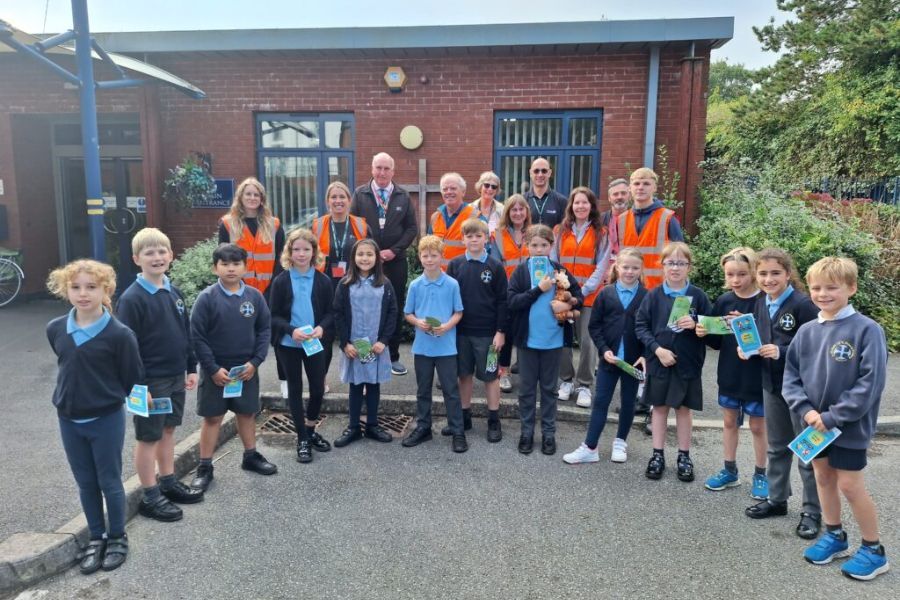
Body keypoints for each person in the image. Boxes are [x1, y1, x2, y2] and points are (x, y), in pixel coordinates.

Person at [784, 257, 889, 580]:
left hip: (849, 426)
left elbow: (869, 384)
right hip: (814, 425)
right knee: (823, 478)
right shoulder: (806, 331)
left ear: (852, 288)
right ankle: (834, 534)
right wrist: (806, 410)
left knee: (850, 485)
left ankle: (873, 550)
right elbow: (791, 376)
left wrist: (833, 416)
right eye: (816, 287)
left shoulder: (867, 330)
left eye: (832, 287)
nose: (823, 293)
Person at [46, 260, 143, 574]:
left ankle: (117, 537)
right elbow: (68, 364)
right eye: (75, 287)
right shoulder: (56, 328)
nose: (83, 293)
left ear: (106, 290)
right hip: (69, 420)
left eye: (91, 287)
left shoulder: (120, 335)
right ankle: (97, 537)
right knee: (86, 483)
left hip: (105, 419)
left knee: (110, 482)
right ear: (66, 290)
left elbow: (131, 377)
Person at [116, 228, 203, 524]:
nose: (157, 257)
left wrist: (191, 367)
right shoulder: (132, 299)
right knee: (147, 436)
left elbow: (185, 331)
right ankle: (150, 495)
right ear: (136, 258)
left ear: (171, 255)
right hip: (148, 382)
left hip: (175, 376)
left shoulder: (173, 290)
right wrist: (138, 386)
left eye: (161, 251)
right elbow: (127, 348)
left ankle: (168, 481)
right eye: (149, 253)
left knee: (168, 430)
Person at [744, 248, 822, 540]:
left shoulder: (804, 305)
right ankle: (777, 500)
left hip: (802, 390)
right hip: (772, 385)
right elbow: (761, 338)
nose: (768, 279)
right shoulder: (761, 302)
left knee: (807, 452)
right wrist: (748, 349)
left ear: (788, 274)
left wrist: (782, 351)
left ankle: (812, 512)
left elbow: (816, 347)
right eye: (763, 273)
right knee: (776, 447)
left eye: (775, 273)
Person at [190, 243, 276, 491]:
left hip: (246, 370)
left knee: (247, 413)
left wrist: (255, 362)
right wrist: (212, 368)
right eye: (225, 264)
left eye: (236, 263)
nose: (230, 269)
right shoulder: (206, 298)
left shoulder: (254, 297)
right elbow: (197, 336)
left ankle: (251, 456)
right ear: (214, 268)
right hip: (216, 370)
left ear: (245, 267)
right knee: (213, 417)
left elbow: (264, 330)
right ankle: (205, 466)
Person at [635, 242, 712, 482]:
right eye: (670, 263)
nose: (675, 268)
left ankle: (684, 456)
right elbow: (641, 326)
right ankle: (657, 455)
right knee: (658, 407)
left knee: (683, 409)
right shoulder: (653, 295)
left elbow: (712, 325)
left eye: (681, 263)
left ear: (689, 266)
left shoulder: (698, 296)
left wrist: (698, 322)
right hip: (660, 361)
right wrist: (657, 350)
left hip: (688, 362)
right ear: (662, 265)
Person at [696, 248, 768, 500]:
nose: (736, 280)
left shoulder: (765, 301)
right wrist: (705, 333)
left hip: (757, 375)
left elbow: (771, 339)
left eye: (742, 274)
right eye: (730, 274)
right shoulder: (725, 300)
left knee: (758, 427)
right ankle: (730, 470)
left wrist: (748, 324)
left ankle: (761, 474)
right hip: (729, 372)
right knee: (729, 422)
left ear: (753, 273)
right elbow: (717, 342)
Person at [563, 248, 646, 465]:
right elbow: (595, 326)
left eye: (635, 268)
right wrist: (603, 349)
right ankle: (590, 446)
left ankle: (620, 442)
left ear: (641, 269)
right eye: (625, 267)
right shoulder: (606, 293)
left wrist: (646, 355)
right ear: (617, 267)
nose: (629, 271)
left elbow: (650, 329)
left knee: (628, 402)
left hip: (633, 363)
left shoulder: (647, 296)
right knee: (600, 401)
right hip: (609, 360)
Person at [507, 224, 583, 456]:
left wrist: (568, 303)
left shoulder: (559, 270)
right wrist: (538, 290)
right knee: (527, 390)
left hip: (553, 340)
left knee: (549, 390)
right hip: (528, 342)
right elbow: (512, 302)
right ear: (526, 246)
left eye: (544, 245)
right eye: (534, 245)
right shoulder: (521, 272)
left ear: (551, 246)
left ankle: (549, 432)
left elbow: (579, 295)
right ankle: (527, 432)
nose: (539, 250)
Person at [268, 229, 335, 463]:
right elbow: (273, 315)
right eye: (296, 249)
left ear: (314, 252)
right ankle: (302, 439)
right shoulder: (281, 280)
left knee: (318, 389)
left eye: (306, 249)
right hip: (288, 344)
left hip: (314, 344)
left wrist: (322, 328)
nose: (301, 253)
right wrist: (290, 330)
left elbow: (330, 313)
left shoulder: (323, 280)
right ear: (289, 252)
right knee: (294, 390)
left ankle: (310, 428)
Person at [217, 177, 288, 396]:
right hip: (239, 289)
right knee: (240, 336)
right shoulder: (228, 223)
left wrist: (274, 286)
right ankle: (238, 383)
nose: (252, 198)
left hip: (269, 289)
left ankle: (285, 382)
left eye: (256, 194)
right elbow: (222, 257)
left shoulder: (274, 224)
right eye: (248, 194)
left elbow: (281, 259)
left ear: (262, 198)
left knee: (277, 336)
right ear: (240, 197)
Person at [350, 152, 418, 376]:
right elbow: (353, 227)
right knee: (365, 306)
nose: (381, 172)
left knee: (394, 307)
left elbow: (411, 229)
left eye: (386, 168)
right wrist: (367, 253)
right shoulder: (360, 195)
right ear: (371, 169)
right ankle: (366, 352)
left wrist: (394, 251)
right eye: (378, 168)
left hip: (394, 263)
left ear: (393, 171)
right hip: (366, 264)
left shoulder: (402, 195)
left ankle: (393, 356)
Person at [401, 235, 468, 453]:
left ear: (442, 257)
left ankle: (457, 431)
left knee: (450, 389)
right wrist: (417, 322)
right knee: (423, 390)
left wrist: (448, 326)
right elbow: (407, 313)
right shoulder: (415, 285)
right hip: (422, 346)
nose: (429, 259)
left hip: (446, 346)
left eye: (434, 255)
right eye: (425, 255)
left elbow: (458, 312)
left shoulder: (451, 284)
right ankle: (424, 427)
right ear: (420, 257)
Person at [444, 218, 508, 442]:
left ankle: (493, 419)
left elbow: (503, 301)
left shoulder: (495, 266)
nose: (473, 239)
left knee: (491, 377)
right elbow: (448, 299)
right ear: (463, 239)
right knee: (464, 375)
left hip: (487, 334)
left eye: (478, 236)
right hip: (461, 332)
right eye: (469, 236)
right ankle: (464, 416)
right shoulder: (455, 264)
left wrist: (500, 331)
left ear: (486, 238)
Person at [332, 238, 398, 447]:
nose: (365, 258)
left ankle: (372, 425)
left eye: (370, 254)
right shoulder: (345, 284)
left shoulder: (385, 284)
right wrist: (345, 344)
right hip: (353, 346)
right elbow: (338, 314)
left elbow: (392, 313)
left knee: (373, 383)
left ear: (377, 258)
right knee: (355, 384)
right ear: (353, 257)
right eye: (360, 254)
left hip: (376, 346)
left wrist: (383, 341)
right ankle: (353, 427)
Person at [552, 186, 611, 407]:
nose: (580, 206)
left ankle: (584, 384)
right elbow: (553, 260)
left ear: (592, 206)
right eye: (577, 202)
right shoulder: (560, 231)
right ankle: (566, 381)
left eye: (585, 202)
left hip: (589, 297)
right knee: (563, 341)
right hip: (563, 295)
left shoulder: (601, 233)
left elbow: (602, 267)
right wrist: (564, 291)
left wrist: (580, 292)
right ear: (571, 206)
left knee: (587, 342)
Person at [311, 181, 371, 382]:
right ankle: (321, 380)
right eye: (333, 197)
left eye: (342, 197)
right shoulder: (317, 225)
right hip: (325, 287)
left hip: (354, 286)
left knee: (359, 332)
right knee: (325, 336)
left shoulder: (361, 225)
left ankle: (362, 378)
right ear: (327, 201)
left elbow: (370, 254)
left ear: (349, 200)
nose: (338, 201)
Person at [616, 168, 684, 289]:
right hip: (628, 290)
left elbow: (681, 259)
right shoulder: (621, 220)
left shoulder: (667, 218)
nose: (640, 187)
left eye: (646, 184)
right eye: (636, 183)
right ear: (630, 188)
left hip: (659, 291)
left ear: (655, 188)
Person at [492, 194, 531, 393]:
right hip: (506, 292)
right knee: (503, 333)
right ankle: (503, 372)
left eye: (521, 209)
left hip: (529, 293)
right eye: (513, 209)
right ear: (507, 212)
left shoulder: (534, 233)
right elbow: (496, 264)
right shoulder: (497, 234)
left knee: (525, 332)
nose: (517, 213)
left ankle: (526, 372)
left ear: (526, 212)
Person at [430, 172, 476, 269]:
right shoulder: (435, 217)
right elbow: (428, 248)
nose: (449, 192)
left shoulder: (475, 217)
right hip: (439, 276)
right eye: (445, 189)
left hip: (464, 273)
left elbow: (483, 251)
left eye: (453, 188)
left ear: (463, 192)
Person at [524, 157, 567, 229]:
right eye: (536, 171)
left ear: (549, 173)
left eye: (544, 171)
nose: (540, 175)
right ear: (530, 173)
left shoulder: (562, 201)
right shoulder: (523, 200)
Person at [469, 171, 504, 250]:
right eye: (487, 185)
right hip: (475, 251)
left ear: (496, 190)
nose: (490, 189)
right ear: (480, 187)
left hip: (496, 252)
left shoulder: (502, 210)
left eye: (494, 187)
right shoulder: (470, 209)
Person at [600, 177, 630, 259]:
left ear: (629, 196)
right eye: (615, 194)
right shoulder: (599, 220)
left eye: (623, 193)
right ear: (609, 198)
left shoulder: (637, 220)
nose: (619, 197)